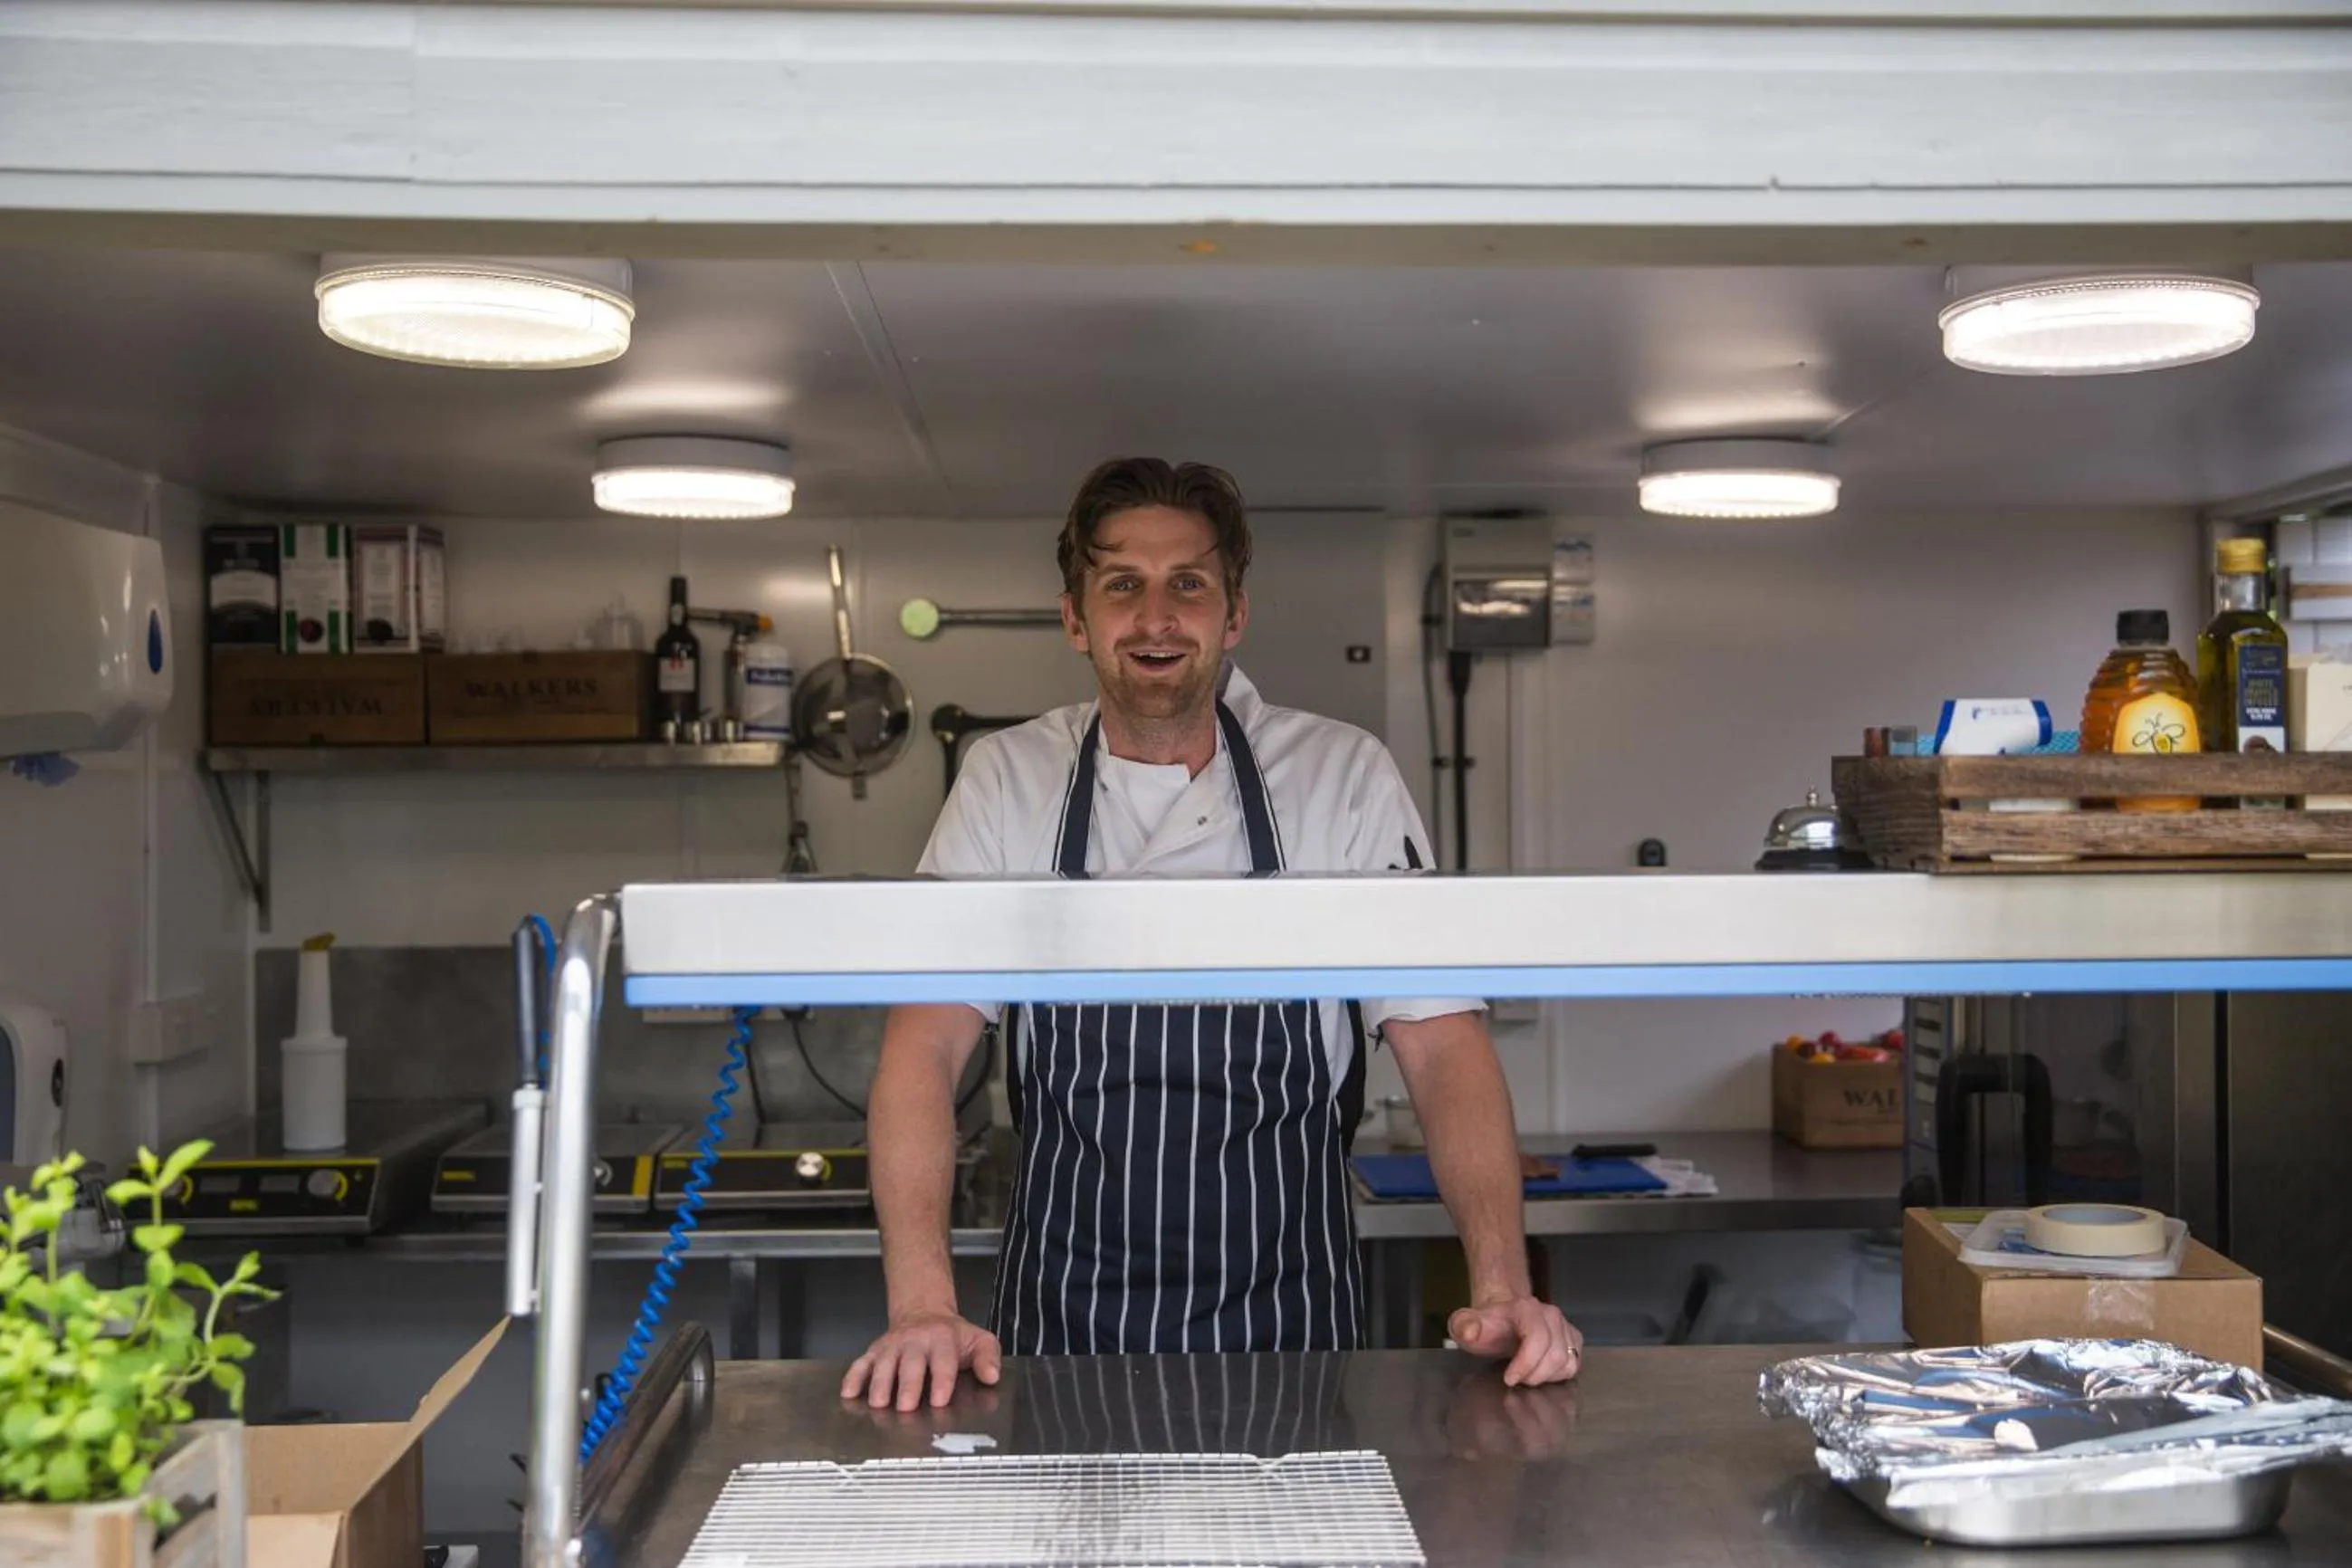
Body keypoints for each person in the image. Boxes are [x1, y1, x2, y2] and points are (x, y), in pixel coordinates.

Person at [843, 457, 1582, 1411]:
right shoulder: (1007, 780)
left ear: (1234, 613)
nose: (1156, 618)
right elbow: (921, 1049)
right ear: (1076, 617)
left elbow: (1443, 1048)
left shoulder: (1341, 776)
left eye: (1188, 584)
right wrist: (921, 1308)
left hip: (1294, 1334)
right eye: (1122, 585)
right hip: (1061, 1334)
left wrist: (1504, 1289)